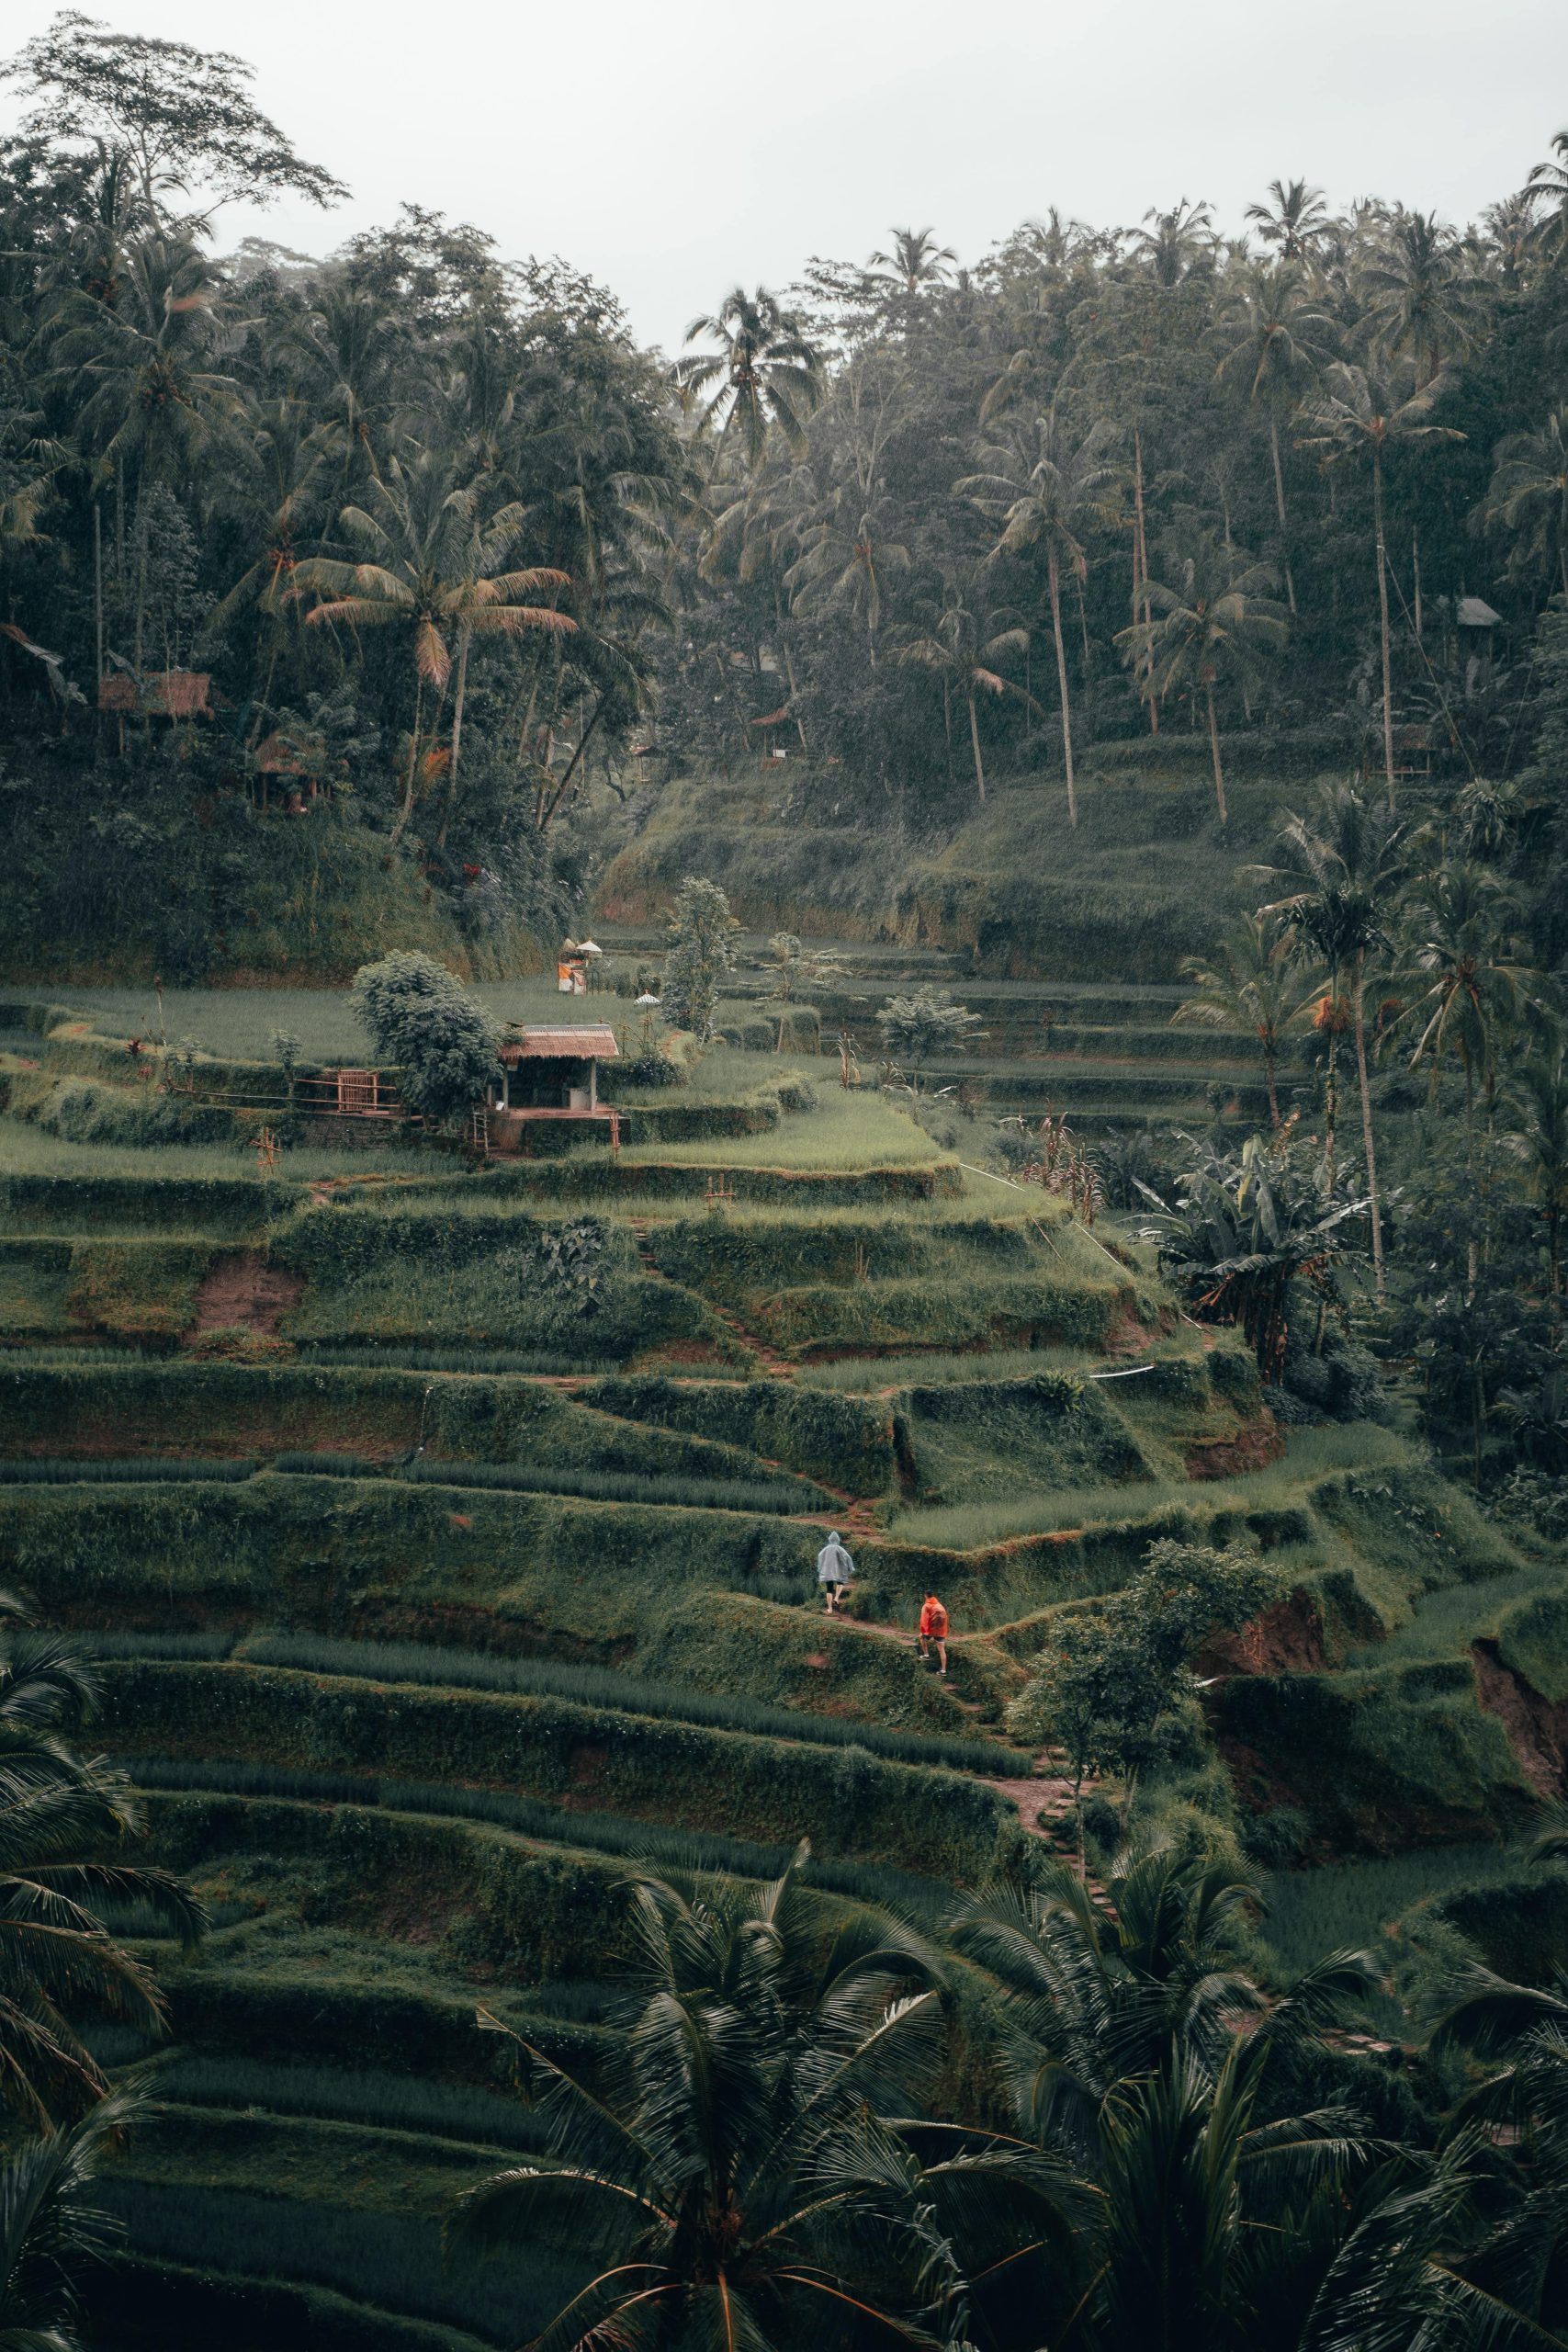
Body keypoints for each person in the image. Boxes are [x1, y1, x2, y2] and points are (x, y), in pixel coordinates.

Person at [816, 1529, 854, 1614]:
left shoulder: (825, 1549)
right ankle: (836, 1598)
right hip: (838, 1571)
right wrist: (851, 1568)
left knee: (829, 1589)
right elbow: (848, 1557)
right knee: (841, 1582)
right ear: (838, 1540)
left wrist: (820, 1568)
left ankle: (830, 1609)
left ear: (829, 1539)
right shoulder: (839, 1548)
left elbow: (819, 1556)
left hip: (828, 1571)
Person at [918, 1592, 949, 1677]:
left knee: (921, 1637)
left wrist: (924, 1631)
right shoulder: (939, 1605)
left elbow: (924, 1620)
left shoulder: (926, 1606)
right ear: (933, 1596)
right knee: (942, 1650)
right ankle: (943, 1671)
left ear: (925, 1596)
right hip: (941, 1630)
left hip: (932, 1629)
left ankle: (926, 1655)